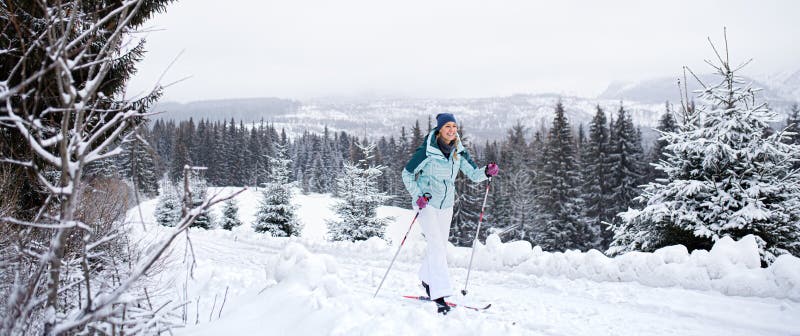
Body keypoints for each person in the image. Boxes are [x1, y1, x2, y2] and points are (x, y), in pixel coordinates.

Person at [401, 113, 499, 315]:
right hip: (426, 203)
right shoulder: (427, 151)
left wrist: (486, 171)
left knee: (439, 246)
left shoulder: (458, 151)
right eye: (447, 126)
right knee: (436, 246)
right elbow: (407, 173)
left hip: (446, 205)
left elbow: (473, 174)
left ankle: (427, 280)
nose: (452, 130)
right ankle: (440, 295)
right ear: (439, 129)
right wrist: (418, 194)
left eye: (454, 126)